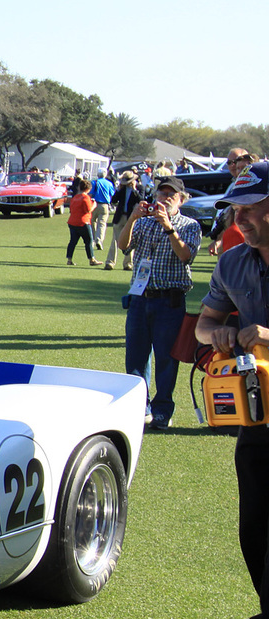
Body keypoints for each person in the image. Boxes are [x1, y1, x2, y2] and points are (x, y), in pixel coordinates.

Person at [195, 163, 269, 619]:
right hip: (258, 414)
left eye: (250, 208)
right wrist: (216, 335)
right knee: (255, 531)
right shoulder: (233, 261)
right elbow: (202, 325)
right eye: (236, 209)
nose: (239, 217)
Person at [117, 170, 201, 430]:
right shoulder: (142, 222)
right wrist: (132, 218)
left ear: (182, 200)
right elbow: (123, 246)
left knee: (166, 358)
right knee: (136, 357)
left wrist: (168, 227)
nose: (164, 199)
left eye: (171, 195)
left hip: (170, 300)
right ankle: (140, 407)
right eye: (161, 193)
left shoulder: (189, 225)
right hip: (141, 298)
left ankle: (163, 409)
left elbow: (186, 256)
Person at [104, 171, 142, 270]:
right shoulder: (122, 189)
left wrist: (134, 190)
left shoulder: (139, 189)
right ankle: (110, 262)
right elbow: (114, 200)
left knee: (130, 240)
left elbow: (142, 201)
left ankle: (128, 264)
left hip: (131, 218)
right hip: (120, 217)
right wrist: (118, 189)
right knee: (115, 240)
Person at [65, 177, 98, 265]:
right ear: (88, 189)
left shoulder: (75, 197)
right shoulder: (85, 197)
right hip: (83, 222)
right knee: (88, 241)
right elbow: (88, 209)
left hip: (72, 222)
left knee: (73, 241)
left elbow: (71, 209)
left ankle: (69, 259)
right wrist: (94, 204)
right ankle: (92, 259)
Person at [90, 170, 115, 248]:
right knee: (102, 224)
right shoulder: (109, 183)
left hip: (94, 204)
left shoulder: (94, 182)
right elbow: (112, 194)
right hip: (105, 205)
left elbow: (91, 193)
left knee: (92, 222)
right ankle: (99, 240)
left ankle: (93, 240)